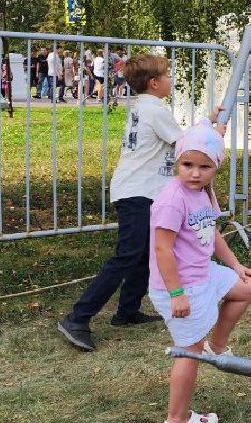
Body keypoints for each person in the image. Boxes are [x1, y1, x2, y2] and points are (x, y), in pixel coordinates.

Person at [58, 54, 223, 351]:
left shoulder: (145, 107)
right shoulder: (154, 109)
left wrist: (207, 121)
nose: (171, 79)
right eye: (168, 75)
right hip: (137, 192)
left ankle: (127, 311)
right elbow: (185, 145)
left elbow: (180, 137)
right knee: (128, 254)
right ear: (154, 83)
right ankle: (78, 318)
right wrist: (212, 133)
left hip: (141, 190)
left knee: (144, 252)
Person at [147, 123, 251, 423]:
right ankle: (177, 419)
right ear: (177, 162)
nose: (195, 174)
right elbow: (162, 249)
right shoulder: (172, 199)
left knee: (246, 289)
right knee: (188, 351)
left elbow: (212, 233)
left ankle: (217, 347)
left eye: (204, 167)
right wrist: (176, 294)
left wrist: (235, 265)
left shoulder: (204, 193)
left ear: (216, 167)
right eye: (187, 165)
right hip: (180, 286)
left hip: (204, 274)